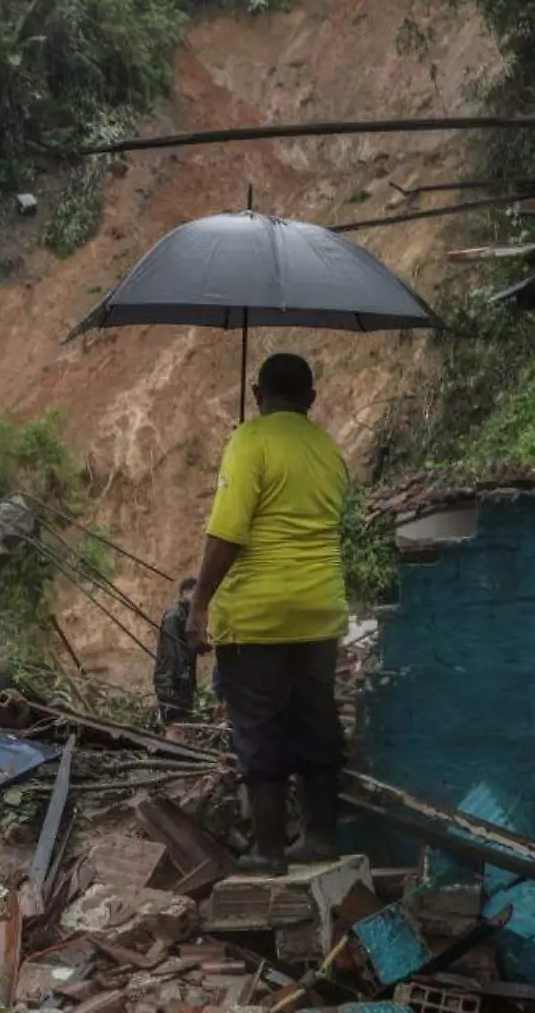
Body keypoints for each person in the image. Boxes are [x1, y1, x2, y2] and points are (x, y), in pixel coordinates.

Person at [185, 353, 348, 874]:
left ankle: (269, 850)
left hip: (259, 617)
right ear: (311, 399)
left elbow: (228, 532)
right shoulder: (328, 449)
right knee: (316, 720)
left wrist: (200, 602)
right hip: (320, 611)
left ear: (257, 394)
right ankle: (321, 838)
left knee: (259, 726)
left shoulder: (249, 441)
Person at [154, 576, 199, 738]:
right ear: (185, 593)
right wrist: (178, 683)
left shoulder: (187, 617)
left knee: (182, 726)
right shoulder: (174, 616)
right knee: (176, 727)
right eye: (195, 593)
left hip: (181, 682)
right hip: (173, 682)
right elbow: (173, 653)